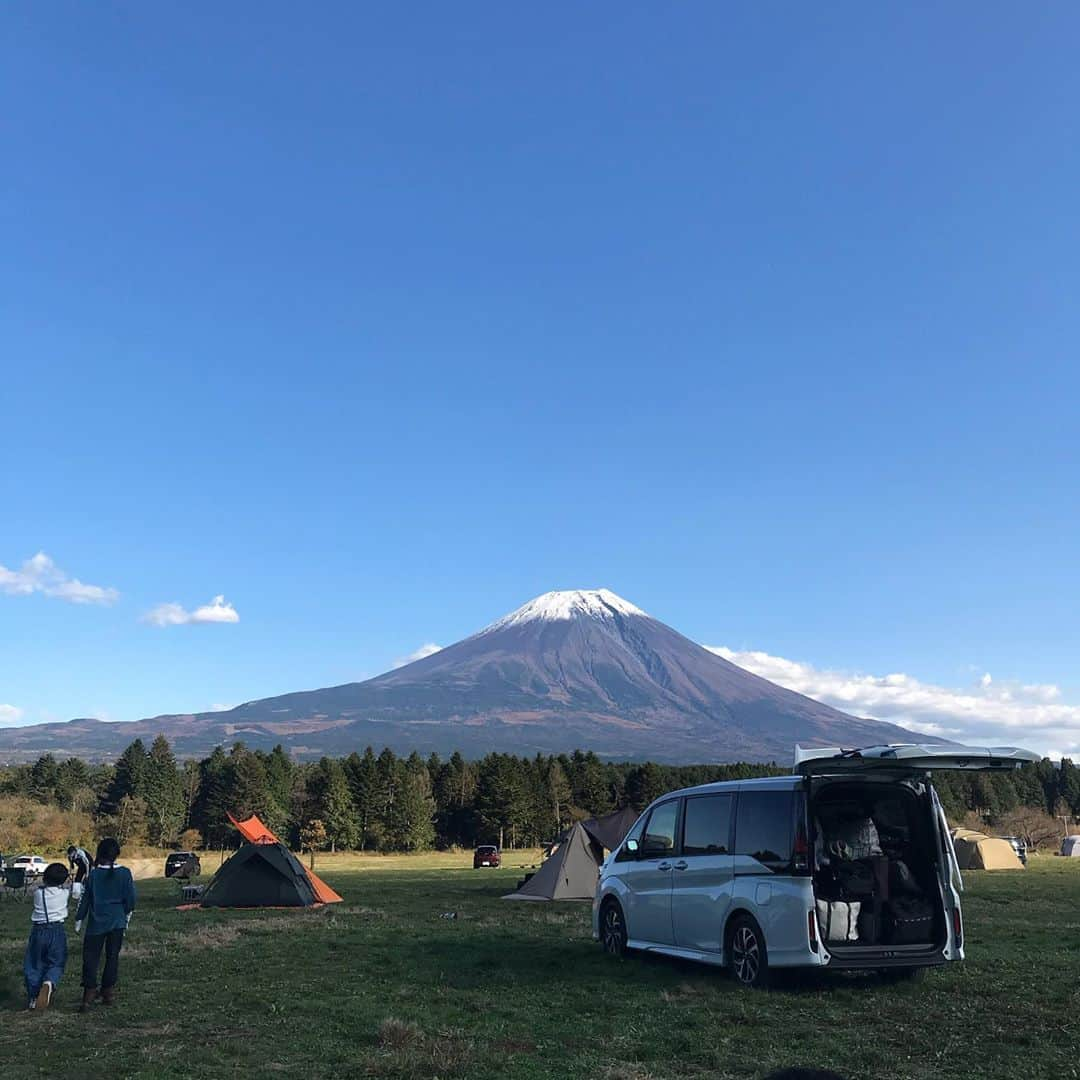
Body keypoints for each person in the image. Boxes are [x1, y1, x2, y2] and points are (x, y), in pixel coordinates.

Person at [74, 837, 136, 1012]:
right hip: (117, 921)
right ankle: (108, 991)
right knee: (112, 956)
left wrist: (79, 918)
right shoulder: (125, 873)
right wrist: (127, 911)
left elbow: (86, 899)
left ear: (99, 853)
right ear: (117, 854)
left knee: (91, 958)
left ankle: (89, 993)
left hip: (96, 923)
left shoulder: (93, 875)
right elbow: (131, 899)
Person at [24, 862, 71, 1010]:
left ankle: (33, 997)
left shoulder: (39, 893)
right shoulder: (64, 893)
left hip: (39, 930)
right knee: (57, 961)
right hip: (57, 930)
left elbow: (41, 889)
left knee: (35, 962)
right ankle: (50, 981)